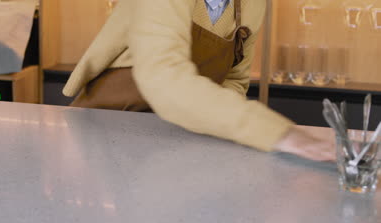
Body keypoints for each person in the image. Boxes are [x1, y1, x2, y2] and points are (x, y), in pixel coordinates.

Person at [62, 0, 335, 162]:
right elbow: (163, 77)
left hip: (178, 136)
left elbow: (234, 80)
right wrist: (280, 133)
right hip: (107, 130)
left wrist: (216, 135)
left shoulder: (253, 4)